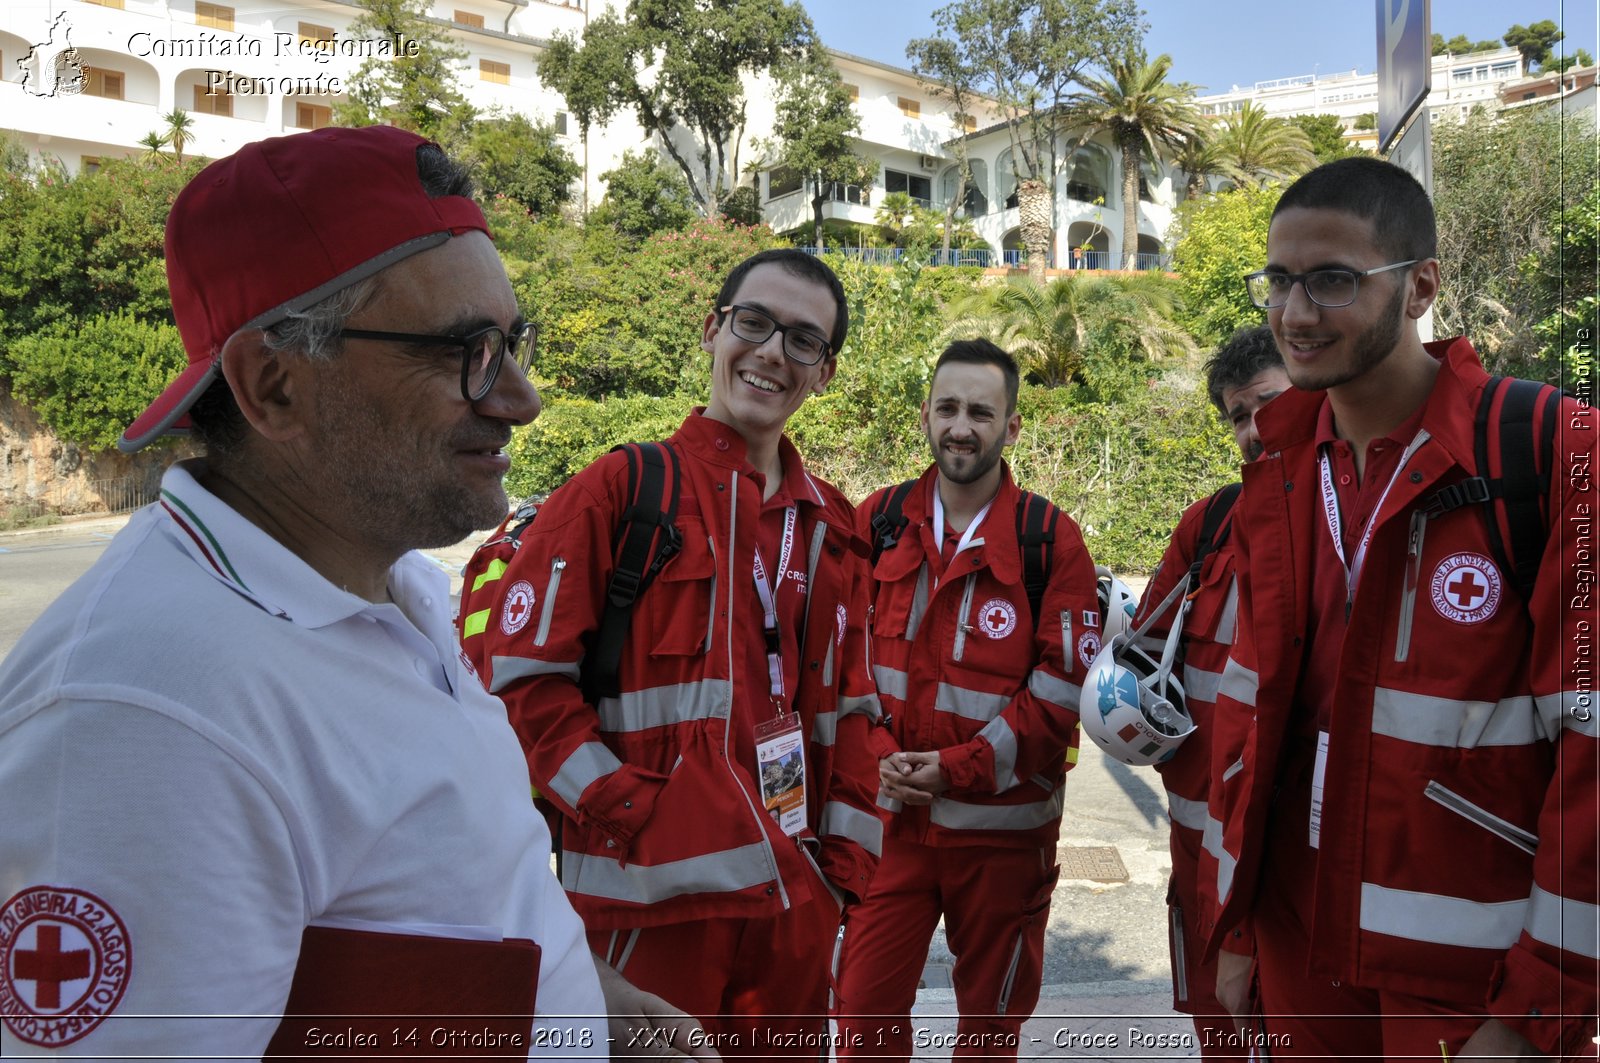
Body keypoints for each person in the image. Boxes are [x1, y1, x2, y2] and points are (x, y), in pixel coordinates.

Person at [0, 125, 706, 1060]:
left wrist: (586, 1000)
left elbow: (422, 912)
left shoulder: (391, 578)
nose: (522, 397)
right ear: (274, 385)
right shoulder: (143, 714)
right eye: (465, 350)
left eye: (511, 341)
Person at [1203, 156, 1598, 1060]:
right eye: (1280, 280)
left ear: (1421, 286)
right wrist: (1235, 924)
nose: (1295, 315)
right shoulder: (1280, 467)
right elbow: (1249, 718)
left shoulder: (1556, 453)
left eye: (1333, 280)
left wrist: (1538, 1013)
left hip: (1472, 984)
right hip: (1296, 947)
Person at [461, 249, 883, 1055]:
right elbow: (514, 682)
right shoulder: (623, 491)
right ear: (712, 330)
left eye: (802, 341)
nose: (770, 353)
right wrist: (630, 809)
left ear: (823, 373)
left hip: (794, 909)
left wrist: (845, 869)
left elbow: (853, 704)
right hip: (645, 917)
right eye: (753, 323)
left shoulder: (834, 523)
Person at [833, 339, 1100, 1060]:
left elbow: (1060, 690)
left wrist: (961, 767)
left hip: (1003, 840)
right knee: (860, 1022)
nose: (961, 426)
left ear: (1012, 426)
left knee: (989, 1035)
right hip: (887, 831)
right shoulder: (875, 521)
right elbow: (837, 663)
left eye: (981, 412)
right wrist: (879, 754)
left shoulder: (1052, 542)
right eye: (948, 407)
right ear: (924, 414)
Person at [1128, 325, 1288, 1059]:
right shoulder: (1209, 524)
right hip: (1198, 854)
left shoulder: (1352, 524)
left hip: (1291, 868)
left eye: (1269, 404)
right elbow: (1140, 654)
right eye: (1237, 415)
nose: (1254, 430)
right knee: (1218, 1041)